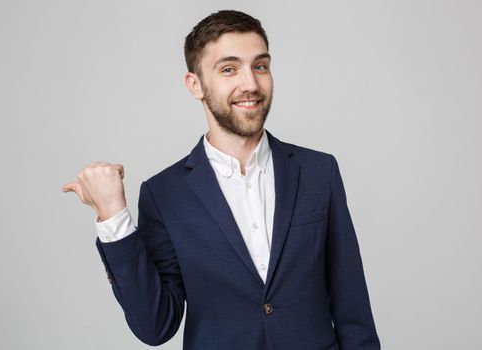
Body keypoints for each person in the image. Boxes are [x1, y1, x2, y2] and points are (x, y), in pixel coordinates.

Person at [62, 10, 381, 350]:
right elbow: (155, 326)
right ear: (195, 85)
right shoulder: (164, 194)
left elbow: (353, 310)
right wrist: (113, 216)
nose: (251, 84)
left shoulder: (319, 171)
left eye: (260, 66)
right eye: (229, 69)